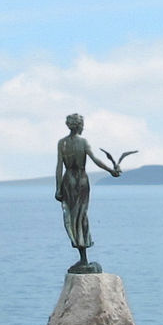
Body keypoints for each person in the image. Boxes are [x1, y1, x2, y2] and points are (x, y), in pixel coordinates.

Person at [55, 114, 133, 272]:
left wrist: (57, 188)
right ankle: (84, 257)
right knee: (81, 216)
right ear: (78, 126)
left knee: (72, 216)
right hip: (81, 181)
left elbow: (59, 167)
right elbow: (95, 160)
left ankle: (82, 255)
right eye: (82, 125)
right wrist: (111, 170)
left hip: (68, 181)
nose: (83, 127)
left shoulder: (62, 143)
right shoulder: (83, 142)